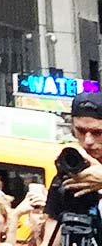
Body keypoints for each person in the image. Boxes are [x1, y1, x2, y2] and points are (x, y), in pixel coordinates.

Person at [41, 89, 102, 243]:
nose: (88, 140)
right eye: (81, 131)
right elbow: (50, 238)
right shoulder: (68, 177)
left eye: (97, 133)